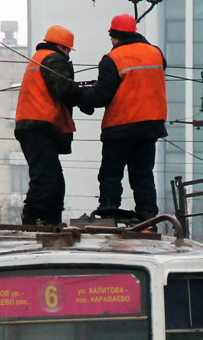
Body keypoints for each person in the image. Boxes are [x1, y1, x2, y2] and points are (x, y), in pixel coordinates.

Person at [77, 13, 168, 221]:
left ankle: (109, 208)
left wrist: (81, 97)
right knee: (143, 173)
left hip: (122, 124)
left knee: (111, 171)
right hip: (151, 124)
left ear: (114, 35)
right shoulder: (156, 53)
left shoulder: (112, 58)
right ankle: (147, 214)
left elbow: (102, 96)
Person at [14, 24, 79, 226]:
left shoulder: (40, 58)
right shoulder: (52, 59)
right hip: (38, 126)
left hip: (33, 125)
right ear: (61, 47)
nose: (68, 55)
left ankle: (49, 220)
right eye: (68, 50)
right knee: (45, 178)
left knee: (54, 181)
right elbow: (63, 89)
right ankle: (33, 220)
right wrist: (86, 96)